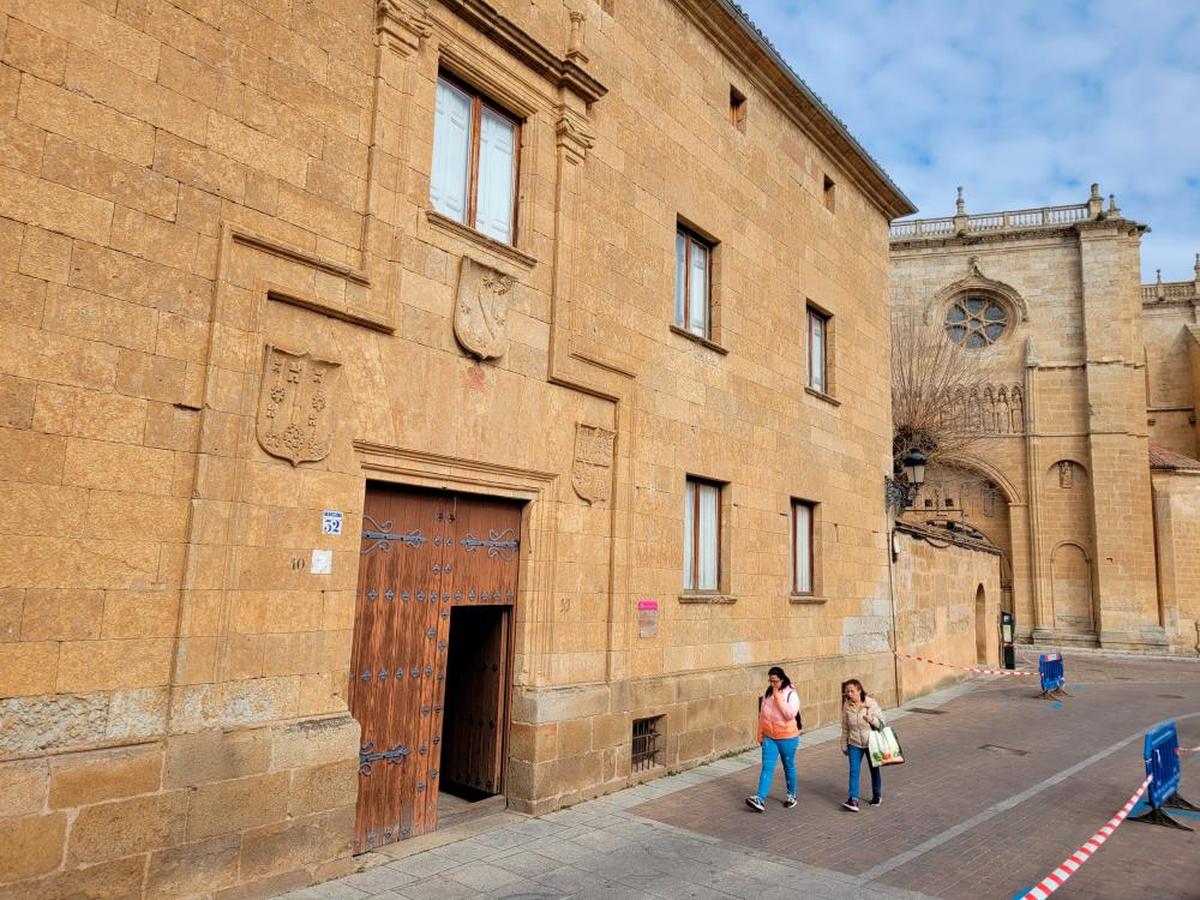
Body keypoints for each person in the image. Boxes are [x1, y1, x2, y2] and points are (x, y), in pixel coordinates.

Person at [745, 666, 801, 812]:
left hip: (788, 737)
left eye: (775, 681)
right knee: (767, 767)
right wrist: (760, 733)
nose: (772, 684)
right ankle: (760, 798)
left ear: (782, 679)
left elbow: (790, 714)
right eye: (770, 681)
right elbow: (762, 715)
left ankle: (791, 796)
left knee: (788, 766)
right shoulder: (768, 693)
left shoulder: (791, 694)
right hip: (770, 737)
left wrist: (779, 699)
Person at [840, 678, 884, 811]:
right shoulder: (847, 706)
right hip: (854, 743)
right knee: (854, 771)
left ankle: (877, 794)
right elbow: (845, 727)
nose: (849, 694)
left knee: (874, 770)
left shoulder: (871, 704)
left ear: (859, 690)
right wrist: (844, 744)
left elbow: (882, 724)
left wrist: (872, 720)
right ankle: (853, 800)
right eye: (847, 691)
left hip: (871, 743)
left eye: (852, 691)